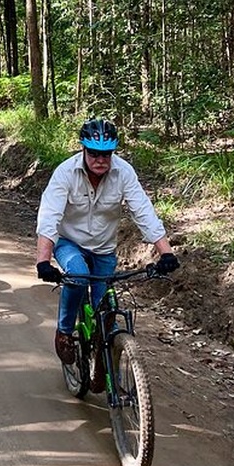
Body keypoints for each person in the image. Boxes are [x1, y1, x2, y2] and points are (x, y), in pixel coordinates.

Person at [34, 118, 179, 372]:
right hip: (69, 242)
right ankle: (65, 331)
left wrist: (165, 252)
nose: (100, 159)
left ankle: (105, 361)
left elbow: (143, 211)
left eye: (106, 154)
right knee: (78, 276)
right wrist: (43, 261)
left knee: (107, 311)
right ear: (83, 150)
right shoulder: (65, 173)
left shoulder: (124, 173)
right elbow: (49, 217)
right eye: (94, 153)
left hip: (104, 248)